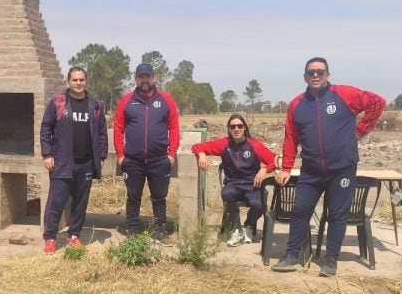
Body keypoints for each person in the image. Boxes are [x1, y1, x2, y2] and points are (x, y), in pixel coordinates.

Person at [272, 57, 385, 276]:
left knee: (337, 215)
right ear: (305, 77)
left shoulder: (344, 94)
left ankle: (331, 259)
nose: (316, 75)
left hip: (342, 169)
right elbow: (290, 138)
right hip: (311, 171)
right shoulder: (297, 104)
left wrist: (360, 131)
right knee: (300, 212)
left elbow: (378, 102)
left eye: (320, 72)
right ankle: (293, 256)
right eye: (311, 72)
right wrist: (286, 167)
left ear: (328, 75)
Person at [40, 66, 108, 254]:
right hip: (62, 162)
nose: (79, 83)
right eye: (75, 80)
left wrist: (101, 156)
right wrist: (47, 154)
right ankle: (50, 238)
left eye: (82, 80)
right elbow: (46, 128)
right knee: (56, 202)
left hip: (85, 163)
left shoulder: (94, 105)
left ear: (86, 81)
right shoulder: (58, 102)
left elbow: (102, 132)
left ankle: (74, 236)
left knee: (81, 203)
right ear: (69, 82)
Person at [114, 63, 180, 245]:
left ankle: (159, 230)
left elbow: (174, 127)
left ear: (154, 78)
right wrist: (120, 154)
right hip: (133, 160)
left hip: (159, 160)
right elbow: (118, 128)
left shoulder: (165, 99)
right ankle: (133, 230)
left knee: (159, 196)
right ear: (136, 79)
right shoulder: (127, 100)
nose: (145, 80)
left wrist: (172, 153)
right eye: (141, 77)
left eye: (148, 76)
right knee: (133, 196)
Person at [191, 114, 276, 246]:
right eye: (233, 126)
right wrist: (201, 154)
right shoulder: (224, 144)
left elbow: (274, 160)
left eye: (240, 126)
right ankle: (237, 229)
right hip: (233, 184)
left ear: (244, 128)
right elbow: (197, 146)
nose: (236, 129)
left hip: (252, 184)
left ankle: (249, 226)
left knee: (258, 205)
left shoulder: (255, 145)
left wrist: (264, 169)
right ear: (229, 129)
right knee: (226, 193)